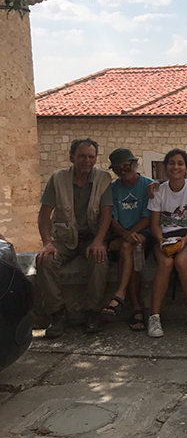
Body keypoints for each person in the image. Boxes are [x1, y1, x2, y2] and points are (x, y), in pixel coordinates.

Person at [36, 138, 112, 338]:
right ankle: (57, 313)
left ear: (96, 159)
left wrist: (99, 241)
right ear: (72, 157)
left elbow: (106, 214)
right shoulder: (57, 178)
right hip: (63, 237)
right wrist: (47, 243)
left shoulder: (104, 178)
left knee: (100, 260)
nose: (86, 160)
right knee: (45, 261)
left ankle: (92, 312)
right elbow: (44, 214)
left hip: (92, 236)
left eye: (91, 156)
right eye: (82, 156)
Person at [147, 149, 187, 338]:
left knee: (181, 262)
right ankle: (154, 317)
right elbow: (154, 224)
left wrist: (185, 240)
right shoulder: (158, 190)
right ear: (165, 167)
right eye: (171, 163)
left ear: (186, 167)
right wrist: (160, 240)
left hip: (186, 236)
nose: (176, 167)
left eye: (180, 163)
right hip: (163, 237)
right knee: (165, 263)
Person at [102, 149, 153, 331]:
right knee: (131, 251)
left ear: (135, 164)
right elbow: (112, 219)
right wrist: (126, 235)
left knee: (129, 247)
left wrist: (130, 235)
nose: (124, 171)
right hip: (122, 233)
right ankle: (137, 308)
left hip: (144, 232)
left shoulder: (148, 185)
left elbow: (149, 217)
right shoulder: (114, 189)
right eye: (118, 168)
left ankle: (120, 295)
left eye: (127, 166)